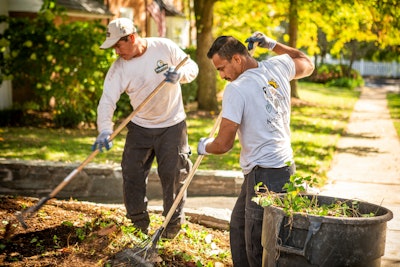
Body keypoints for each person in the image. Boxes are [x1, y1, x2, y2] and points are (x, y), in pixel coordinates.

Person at [197, 32, 314, 266]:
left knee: (257, 244)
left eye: (221, 68)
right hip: (281, 168)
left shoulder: (236, 89)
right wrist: (272, 45)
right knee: (240, 226)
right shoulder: (277, 66)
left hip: (264, 174)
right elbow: (306, 62)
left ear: (238, 59)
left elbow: (223, 145)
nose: (221, 76)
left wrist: (203, 146)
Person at [92, 18, 199, 238]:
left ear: (131, 37)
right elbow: (107, 100)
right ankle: (138, 224)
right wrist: (105, 129)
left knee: (173, 175)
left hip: (172, 125)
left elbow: (192, 67)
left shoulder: (163, 46)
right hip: (140, 127)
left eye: (118, 45)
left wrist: (181, 75)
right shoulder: (119, 68)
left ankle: (171, 227)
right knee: (132, 172)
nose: (116, 51)